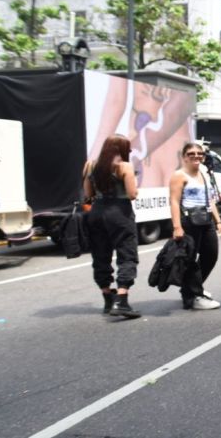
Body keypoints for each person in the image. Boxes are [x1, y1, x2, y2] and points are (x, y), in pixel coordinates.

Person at [81, 135, 141, 318]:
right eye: (127, 148)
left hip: (97, 211)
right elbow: (132, 194)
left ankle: (107, 297)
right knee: (127, 254)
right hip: (119, 212)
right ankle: (122, 300)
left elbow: (88, 193)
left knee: (100, 256)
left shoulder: (90, 165)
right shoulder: (124, 166)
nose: (129, 151)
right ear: (121, 149)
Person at [169, 142, 221, 311]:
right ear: (184, 156)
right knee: (190, 260)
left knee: (210, 255)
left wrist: (218, 222)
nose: (196, 156)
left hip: (206, 220)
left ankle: (192, 288)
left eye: (199, 154)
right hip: (189, 222)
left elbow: (211, 200)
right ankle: (195, 296)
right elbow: (174, 201)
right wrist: (177, 227)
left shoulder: (204, 174)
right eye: (191, 153)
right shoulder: (179, 175)